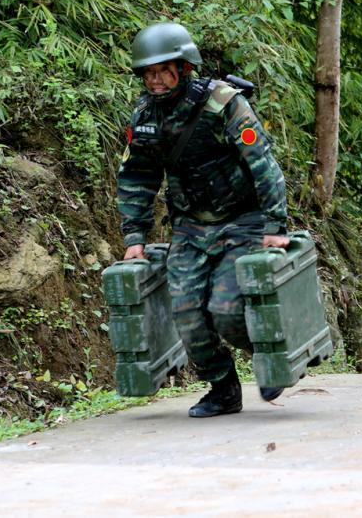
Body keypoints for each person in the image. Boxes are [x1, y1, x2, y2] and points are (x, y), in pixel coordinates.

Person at [117, 21, 290, 418]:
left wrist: (274, 226)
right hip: (191, 226)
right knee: (188, 316)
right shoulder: (145, 115)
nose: (155, 80)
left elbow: (261, 162)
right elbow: (137, 176)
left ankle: (271, 356)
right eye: (148, 73)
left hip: (241, 220)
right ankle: (224, 389)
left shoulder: (223, 103)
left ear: (184, 67)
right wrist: (134, 236)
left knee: (227, 311)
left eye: (162, 71)